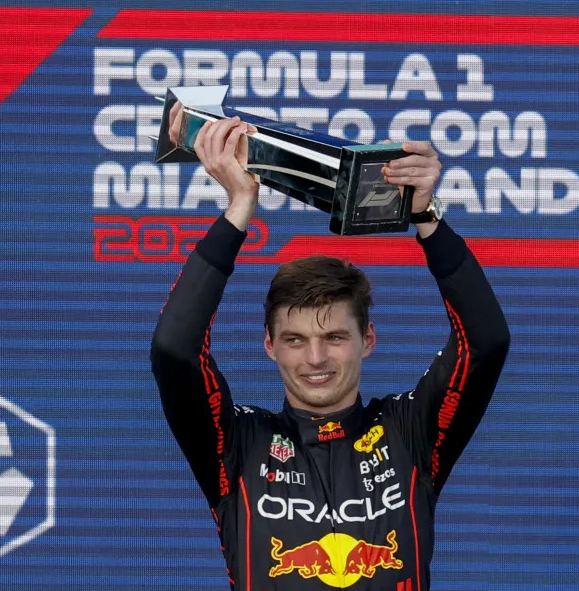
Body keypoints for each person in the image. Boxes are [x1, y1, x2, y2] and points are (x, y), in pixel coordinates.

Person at [151, 103, 510, 590]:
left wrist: (425, 215)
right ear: (269, 346)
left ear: (368, 340)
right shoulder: (238, 446)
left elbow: (485, 341)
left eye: (335, 337)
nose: (315, 359)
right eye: (295, 340)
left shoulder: (410, 432)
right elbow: (175, 350)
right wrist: (239, 208)